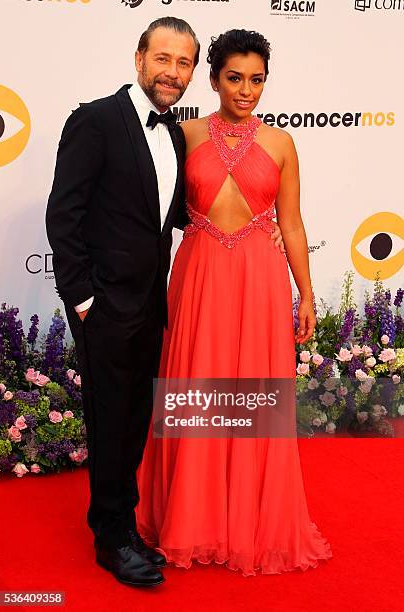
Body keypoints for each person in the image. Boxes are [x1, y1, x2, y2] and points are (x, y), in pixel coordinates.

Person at [45, 18, 284, 588]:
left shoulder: (175, 134)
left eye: (182, 64)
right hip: (103, 306)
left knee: (133, 421)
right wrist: (82, 301)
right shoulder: (95, 120)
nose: (171, 73)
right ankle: (110, 539)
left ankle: (125, 527)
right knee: (110, 421)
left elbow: (176, 214)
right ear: (139, 58)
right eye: (163, 60)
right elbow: (65, 215)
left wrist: (256, 230)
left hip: (156, 304)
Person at [136, 29, 333, 577]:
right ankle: (189, 519)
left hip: (260, 279)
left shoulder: (281, 143)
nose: (247, 90)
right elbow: (158, 209)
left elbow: (291, 222)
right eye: (235, 78)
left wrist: (307, 294)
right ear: (213, 77)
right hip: (198, 272)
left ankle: (247, 522)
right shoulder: (182, 134)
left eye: (257, 80)